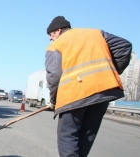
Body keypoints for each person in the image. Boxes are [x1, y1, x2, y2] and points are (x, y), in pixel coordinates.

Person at [45, 16, 132, 157]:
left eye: (51, 34)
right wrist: (108, 72)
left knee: (68, 135)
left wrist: (54, 100)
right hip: (103, 91)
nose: (50, 38)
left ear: (58, 30)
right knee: (87, 134)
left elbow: (54, 76)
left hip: (74, 95)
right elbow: (124, 47)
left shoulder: (56, 45)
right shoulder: (96, 33)